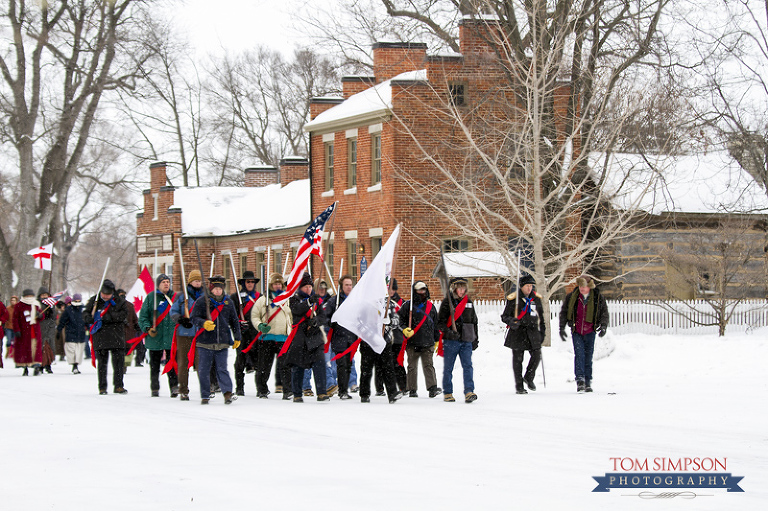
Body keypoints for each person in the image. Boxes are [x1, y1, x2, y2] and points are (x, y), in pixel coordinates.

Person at [190, 274, 241, 405]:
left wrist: (237, 337)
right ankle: (205, 394)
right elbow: (193, 318)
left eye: (220, 288)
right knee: (204, 369)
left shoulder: (228, 302)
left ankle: (227, 393)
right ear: (211, 289)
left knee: (222, 368)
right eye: (215, 288)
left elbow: (235, 321)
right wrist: (203, 323)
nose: (218, 291)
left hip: (222, 341)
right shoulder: (202, 301)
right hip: (205, 342)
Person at [559, 276, 609, 393]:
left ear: (589, 286)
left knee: (588, 356)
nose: (582, 288)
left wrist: (603, 326)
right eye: (580, 286)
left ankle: (587, 381)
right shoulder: (572, 297)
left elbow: (604, 313)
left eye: (584, 286)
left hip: (590, 330)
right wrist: (562, 328)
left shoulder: (597, 297)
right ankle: (580, 380)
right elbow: (564, 312)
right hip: (577, 331)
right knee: (579, 354)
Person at [284, 273, 329, 403]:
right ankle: (297, 393)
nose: (308, 289)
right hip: (300, 338)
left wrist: (315, 321)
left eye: (310, 286)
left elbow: (322, 316)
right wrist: (309, 302)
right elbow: (297, 310)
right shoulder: (294, 299)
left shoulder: (315, 300)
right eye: (305, 287)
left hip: (315, 338)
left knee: (320, 363)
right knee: (298, 367)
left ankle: (322, 392)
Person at [83, 279, 130, 394]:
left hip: (116, 336)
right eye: (103, 294)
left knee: (118, 364)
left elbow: (124, 315)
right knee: (102, 364)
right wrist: (87, 318)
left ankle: (118, 385)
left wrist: (111, 317)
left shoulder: (120, 301)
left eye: (108, 294)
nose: (105, 296)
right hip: (100, 335)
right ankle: (102, 387)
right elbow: (86, 312)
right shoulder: (95, 300)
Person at [501, 275, 545, 395]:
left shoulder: (536, 299)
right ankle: (519, 386)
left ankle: (529, 377)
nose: (529, 288)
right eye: (527, 286)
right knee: (517, 361)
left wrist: (543, 333)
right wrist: (511, 321)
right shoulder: (514, 299)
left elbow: (541, 318)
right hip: (518, 332)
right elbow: (504, 316)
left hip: (533, 332)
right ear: (522, 287)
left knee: (536, 355)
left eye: (531, 286)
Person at [437, 277, 479, 403]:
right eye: (459, 288)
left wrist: (475, 338)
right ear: (455, 289)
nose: (462, 290)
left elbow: (474, 321)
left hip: (466, 339)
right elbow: (440, 323)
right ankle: (448, 392)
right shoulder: (448, 302)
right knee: (449, 368)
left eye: (463, 288)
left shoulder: (469, 302)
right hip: (451, 341)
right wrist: (449, 333)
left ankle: (469, 391)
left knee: (468, 366)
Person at [251, 272, 292, 399]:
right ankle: (262, 389)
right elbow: (254, 316)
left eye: (279, 284)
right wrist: (260, 326)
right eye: (275, 284)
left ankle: (287, 390)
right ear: (271, 285)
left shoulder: (286, 300)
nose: (277, 286)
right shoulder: (263, 300)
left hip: (283, 337)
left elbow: (290, 316)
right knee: (264, 366)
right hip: (267, 337)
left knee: (285, 366)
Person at [398, 281, 442, 398]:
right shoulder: (408, 306)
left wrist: (436, 339)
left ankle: (432, 388)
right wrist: (404, 329)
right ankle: (412, 389)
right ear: (414, 291)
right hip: (412, 341)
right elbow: (399, 320)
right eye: (419, 290)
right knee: (412, 366)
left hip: (428, 341)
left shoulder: (430, 307)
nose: (422, 292)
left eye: (423, 289)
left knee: (428, 365)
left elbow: (435, 325)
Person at [138, 273, 179, 397]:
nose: (166, 284)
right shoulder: (151, 298)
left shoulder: (175, 298)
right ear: (158, 284)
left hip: (171, 336)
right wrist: (148, 328)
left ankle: (174, 386)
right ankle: (155, 387)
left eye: (167, 281)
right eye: (163, 282)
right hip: (155, 337)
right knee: (154, 365)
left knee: (172, 364)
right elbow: (143, 316)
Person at [358, 295, 403, 404]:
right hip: (368, 340)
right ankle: (364, 394)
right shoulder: (365, 303)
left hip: (384, 340)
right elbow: (359, 321)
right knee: (366, 369)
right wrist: (370, 332)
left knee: (388, 367)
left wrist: (390, 321)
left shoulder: (388, 303)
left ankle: (392, 393)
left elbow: (396, 320)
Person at [321, 275, 359, 400]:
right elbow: (325, 317)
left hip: (351, 337)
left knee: (349, 364)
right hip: (339, 337)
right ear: (341, 287)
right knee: (341, 364)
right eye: (346, 285)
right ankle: (342, 390)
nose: (349, 287)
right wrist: (332, 321)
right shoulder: (334, 301)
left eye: (350, 285)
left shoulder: (355, 300)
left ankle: (345, 388)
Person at [170, 270, 205, 401]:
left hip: (200, 333)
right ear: (190, 282)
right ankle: (183, 389)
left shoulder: (204, 296)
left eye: (199, 280)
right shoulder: (182, 296)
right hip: (184, 333)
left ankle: (205, 389)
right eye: (195, 280)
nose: (198, 282)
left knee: (200, 362)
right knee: (183, 363)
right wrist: (181, 319)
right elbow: (172, 311)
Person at [231, 270, 260, 396]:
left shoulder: (259, 297)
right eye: (248, 282)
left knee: (259, 361)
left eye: (252, 282)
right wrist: (238, 322)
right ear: (243, 283)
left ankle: (260, 388)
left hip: (255, 332)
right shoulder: (235, 297)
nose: (250, 284)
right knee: (240, 361)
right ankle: (240, 387)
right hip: (241, 332)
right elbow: (231, 316)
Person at [13, 289, 43, 375]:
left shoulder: (36, 304)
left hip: (35, 330)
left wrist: (40, 315)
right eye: (27, 296)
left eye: (30, 296)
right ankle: (25, 367)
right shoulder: (19, 306)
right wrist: (17, 330)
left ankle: (36, 366)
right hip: (24, 332)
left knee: (35, 349)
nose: (29, 297)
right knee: (25, 350)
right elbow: (15, 319)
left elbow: (41, 316)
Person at [386, 279, 407, 393]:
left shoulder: (401, 302)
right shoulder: (383, 301)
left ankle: (403, 386)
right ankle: (387, 387)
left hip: (398, 337)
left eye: (393, 289)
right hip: (386, 337)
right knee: (386, 363)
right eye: (389, 289)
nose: (391, 291)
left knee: (398, 362)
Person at [57, 293, 86, 374]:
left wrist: (90, 329)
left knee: (79, 351)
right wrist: (59, 330)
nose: (77, 302)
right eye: (76, 300)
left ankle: (76, 364)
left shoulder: (83, 309)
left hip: (81, 333)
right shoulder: (68, 310)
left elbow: (87, 320)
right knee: (71, 350)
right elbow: (62, 321)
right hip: (71, 333)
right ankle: (74, 365)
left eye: (79, 300)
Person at [117, 289, 140, 372]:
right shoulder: (114, 306)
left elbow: (134, 318)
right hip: (120, 332)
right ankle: (121, 365)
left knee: (126, 350)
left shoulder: (129, 305)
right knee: (120, 350)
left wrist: (137, 327)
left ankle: (124, 365)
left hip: (127, 332)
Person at [37, 287, 56, 373]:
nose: (44, 296)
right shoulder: (37, 304)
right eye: (43, 295)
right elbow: (38, 314)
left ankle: (48, 364)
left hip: (50, 326)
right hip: (41, 326)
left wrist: (51, 309)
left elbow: (54, 315)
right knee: (42, 346)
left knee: (50, 346)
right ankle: (41, 364)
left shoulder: (51, 303)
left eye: (46, 295)